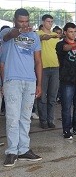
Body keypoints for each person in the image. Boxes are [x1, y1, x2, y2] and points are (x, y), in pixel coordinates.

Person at [1, 9, 43, 166]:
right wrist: (19, 30)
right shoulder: (7, 32)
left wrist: (39, 83)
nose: (24, 24)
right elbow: (9, 35)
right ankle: (12, 151)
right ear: (14, 20)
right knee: (12, 117)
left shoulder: (34, 36)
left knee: (25, 117)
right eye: (21, 21)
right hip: (12, 81)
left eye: (26, 21)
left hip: (30, 81)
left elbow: (38, 61)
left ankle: (24, 149)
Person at [56, 23, 76, 139]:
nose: (73, 34)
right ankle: (66, 129)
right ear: (65, 33)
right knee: (66, 107)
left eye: (75, 32)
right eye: (70, 32)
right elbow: (65, 48)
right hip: (67, 81)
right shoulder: (60, 44)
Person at [37, 14, 60, 129]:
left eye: (51, 21)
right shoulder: (37, 34)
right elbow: (42, 38)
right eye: (48, 21)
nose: (50, 23)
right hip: (43, 68)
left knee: (52, 96)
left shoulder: (55, 35)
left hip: (55, 67)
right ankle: (43, 120)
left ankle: (50, 120)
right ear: (43, 22)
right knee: (42, 96)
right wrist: (48, 37)